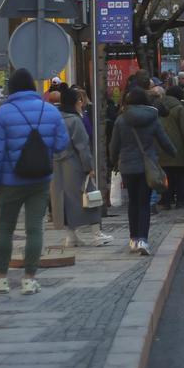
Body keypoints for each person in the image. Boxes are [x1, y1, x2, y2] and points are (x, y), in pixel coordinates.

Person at [0, 68, 70, 295]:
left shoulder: (3, 114)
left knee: (5, 229)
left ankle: (1, 278)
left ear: (11, 88)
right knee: (35, 229)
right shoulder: (50, 111)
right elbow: (62, 144)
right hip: (40, 179)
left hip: (10, 181)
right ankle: (29, 279)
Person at [108, 87, 175, 255]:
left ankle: (133, 239)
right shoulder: (152, 119)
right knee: (144, 202)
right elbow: (164, 140)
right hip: (147, 166)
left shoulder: (121, 120)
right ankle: (143, 240)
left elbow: (114, 145)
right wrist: (174, 152)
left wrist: (114, 160)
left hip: (127, 166)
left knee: (133, 202)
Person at [53, 86, 112, 247]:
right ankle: (96, 234)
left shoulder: (56, 120)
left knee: (67, 201)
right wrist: (89, 167)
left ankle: (71, 236)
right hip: (75, 165)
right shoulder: (75, 121)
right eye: (78, 100)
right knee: (90, 197)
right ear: (74, 103)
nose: (81, 102)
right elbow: (82, 146)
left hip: (58, 167)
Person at [155, 85, 184, 209]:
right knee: (180, 175)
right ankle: (180, 200)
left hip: (161, 146)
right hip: (178, 148)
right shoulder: (179, 108)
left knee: (166, 175)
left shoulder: (157, 106)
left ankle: (167, 200)